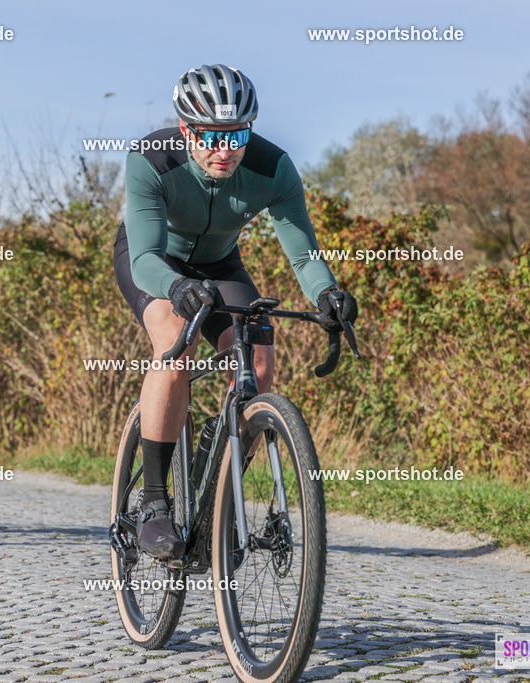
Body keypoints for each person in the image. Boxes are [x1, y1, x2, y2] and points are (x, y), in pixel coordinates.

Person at [114, 64, 358, 559]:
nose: (224, 150)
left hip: (221, 264)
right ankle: (154, 502)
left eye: (236, 135)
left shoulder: (273, 167)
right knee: (175, 340)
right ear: (186, 129)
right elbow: (144, 259)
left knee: (259, 362)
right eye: (210, 137)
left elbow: (304, 255)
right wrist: (176, 286)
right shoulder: (152, 159)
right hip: (156, 264)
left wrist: (327, 294)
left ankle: (217, 487)